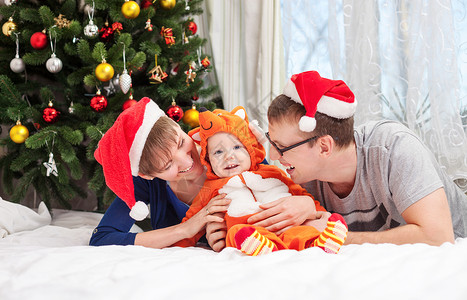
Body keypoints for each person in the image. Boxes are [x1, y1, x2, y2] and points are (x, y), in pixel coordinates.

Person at [262, 70, 467, 246]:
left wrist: (338, 236)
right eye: (272, 142)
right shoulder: (303, 176)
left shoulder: (393, 147)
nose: (273, 155)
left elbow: (438, 237)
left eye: (281, 147)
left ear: (324, 147)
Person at [173, 106, 348, 255]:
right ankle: (265, 248)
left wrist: (322, 215)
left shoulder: (273, 172)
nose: (229, 157)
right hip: (250, 235)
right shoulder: (209, 189)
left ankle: (319, 245)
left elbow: (300, 195)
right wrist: (175, 247)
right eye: (218, 152)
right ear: (208, 159)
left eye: (236, 147)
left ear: (250, 149)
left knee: (303, 230)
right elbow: (191, 224)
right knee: (236, 233)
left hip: (286, 226)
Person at [89, 97, 231, 248]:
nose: (187, 162)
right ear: (147, 175)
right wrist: (185, 229)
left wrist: (259, 220)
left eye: (181, 142)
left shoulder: (223, 143)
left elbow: (259, 166)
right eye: (168, 165)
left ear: (177, 125)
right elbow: (102, 238)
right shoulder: (145, 182)